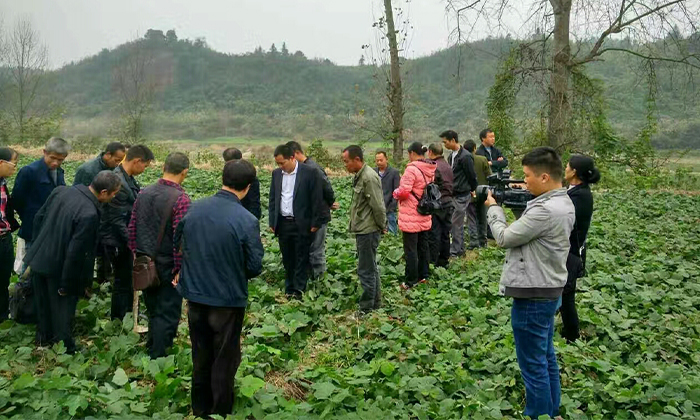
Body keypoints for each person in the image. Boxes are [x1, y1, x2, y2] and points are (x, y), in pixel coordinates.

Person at [485, 147, 575, 419]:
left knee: (532, 364)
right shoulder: (563, 202)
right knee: (545, 357)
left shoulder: (545, 210)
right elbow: (529, 232)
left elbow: (504, 238)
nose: (523, 183)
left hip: (533, 294)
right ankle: (551, 412)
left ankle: (537, 414)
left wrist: (494, 209)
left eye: (526, 177)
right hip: (549, 288)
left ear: (545, 177)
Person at [175, 159, 264, 418]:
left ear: (222, 178)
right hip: (227, 300)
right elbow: (254, 264)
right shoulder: (246, 220)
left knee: (200, 355)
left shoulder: (194, 209)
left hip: (194, 296)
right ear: (247, 187)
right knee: (224, 359)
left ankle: (199, 408)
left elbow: (178, 244)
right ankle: (219, 411)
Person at [24, 171, 122, 353]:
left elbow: (39, 218)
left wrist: (37, 247)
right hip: (59, 267)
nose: (114, 197)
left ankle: (43, 339)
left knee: (43, 303)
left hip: (39, 257)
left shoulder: (62, 191)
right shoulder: (89, 214)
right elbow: (76, 253)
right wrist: (68, 284)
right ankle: (65, 349)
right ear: (103, 192)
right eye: (114, 193)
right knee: (63, 309)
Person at [128, 152, 192, 358]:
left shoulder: (143, 193)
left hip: (145, 262)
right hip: (166, 264)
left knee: (154, 308)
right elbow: (180, 239)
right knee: (169, 311)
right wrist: (179, 269)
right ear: (184, 172)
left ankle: (152, 347)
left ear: (163, 167)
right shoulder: (180, 199)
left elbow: (132, 229)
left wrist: (136, 257)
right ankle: (159, 357)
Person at [101, 145, 154, 321]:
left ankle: (129, 313)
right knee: (122, 281)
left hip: (124, 238)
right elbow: (117, 220)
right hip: (117, 240)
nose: (144, 169)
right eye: (145, 166)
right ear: (137, 161)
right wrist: (133, 244)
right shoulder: (118, 182)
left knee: (128, 280)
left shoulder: (127, 178)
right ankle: (119, 317)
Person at [268, 144, 323, 298]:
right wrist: (273, 221)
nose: (280, 166)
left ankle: (299, 290)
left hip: (302, 223)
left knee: (301, 257)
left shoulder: (310, 173)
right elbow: (273, 199)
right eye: (278, 164)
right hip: (283, 222)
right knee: (287, 257)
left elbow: (316, 200)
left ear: (292, 158)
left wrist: (315, 223)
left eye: (282, 163)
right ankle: (289, 287)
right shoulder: (276, 174)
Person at [12, 137, 70, 273]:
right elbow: (17, 200)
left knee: (42, 266)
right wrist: (30, 216)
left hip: (51, 228)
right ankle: (21, 293)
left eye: (60, 160)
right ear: (44, 152)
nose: (55, 163)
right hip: (32, 227)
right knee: (27, 265)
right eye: (52, 158)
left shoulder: (59, 172)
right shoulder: (29, 172)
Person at [561, 154, 600, 342]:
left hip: (571, 253)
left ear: (574, 171)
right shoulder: (576, 191)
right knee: (563, 295)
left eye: (567, 166)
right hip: (569, 251)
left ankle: (572, 336)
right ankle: (569, 332)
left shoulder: (580, 196)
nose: (565, 168)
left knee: (566, 297)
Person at [343, 145, 387, 313]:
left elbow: (378, 206)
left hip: (368, 230)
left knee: (366, 269)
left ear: (357, 160)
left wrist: (382, 225)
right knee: (370, 267)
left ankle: (366, 308)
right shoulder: (360, 176)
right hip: (363, 228)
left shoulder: (369, 177)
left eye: (347, 162)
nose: (345, 165)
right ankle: (375, 303)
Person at [287, 141, 339, 280]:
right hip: (307, 216)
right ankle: (310, 279)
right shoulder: (301, 168)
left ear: (297, 153)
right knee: (308, 249)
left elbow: (327, 187)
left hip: (318, 216)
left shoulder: (312, 168)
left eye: (291, 157)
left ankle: (320, 282)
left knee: (316, 251)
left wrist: (330, 202)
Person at [393, 142, 437, 290]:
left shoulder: (411, 169)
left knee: (410, 250)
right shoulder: (430, 168)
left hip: (411, 215)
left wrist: (395, 193)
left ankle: (410, 280)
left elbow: (404, 191)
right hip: (424, 213)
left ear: (411, 153)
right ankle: (423, 275)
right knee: (423, 247)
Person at [440, 130, 477, 257]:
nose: (444, 144)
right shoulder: (452, 156)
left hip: (462, 194)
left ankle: (456, 250)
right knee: (456, 223)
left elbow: (471, 175)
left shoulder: (465, 156)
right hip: (453, 193)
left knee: (456, 223)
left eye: (445, 142)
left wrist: (473, 189)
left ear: (453, 140)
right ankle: (459, 248)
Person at [0, 148, 20, 321]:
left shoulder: (3, 183)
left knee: (3, 278)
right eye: (14, 163)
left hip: (5, 238)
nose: (15, 168)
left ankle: (2, 317)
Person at [427, 143, 454, 267]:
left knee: (435, 234)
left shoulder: (434, 166)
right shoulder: (448, 165)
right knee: (445, 234)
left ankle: (433, 261)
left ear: (431, 152)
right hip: (449, 202)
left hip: (438, 204)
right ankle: (444, 260)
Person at [465, 140, 492, 248]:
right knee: (482, 217)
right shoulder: (482, 159)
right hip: (482, 193)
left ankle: (474, 242)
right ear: (475, 148)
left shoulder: (463, 160)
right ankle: (483, 240)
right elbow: (489, 175)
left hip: (469, 193)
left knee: (471, 218)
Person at [222, 148, 261, 219]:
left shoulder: (249, 175)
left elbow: (254, 202)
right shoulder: (227, 174)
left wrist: (252, 219)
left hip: (245, 214)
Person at [375, 151, 400, 235]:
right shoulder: (373, 172)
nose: (379, 162)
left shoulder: (394, 172)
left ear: (386, 159)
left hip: (389, 208)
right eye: (377, 160)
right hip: (376, 208)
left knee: (391, 232)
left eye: (381, 160)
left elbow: (397, 191)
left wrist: (392, 207)